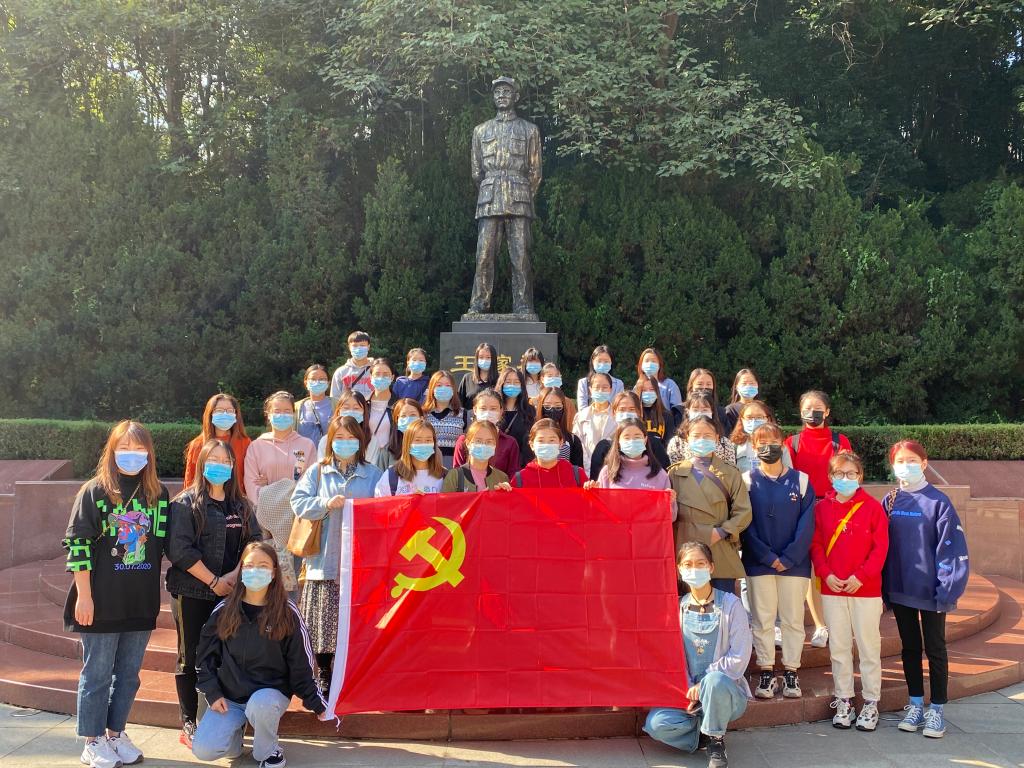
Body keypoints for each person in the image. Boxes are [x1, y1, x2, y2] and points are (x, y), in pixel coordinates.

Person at [63, 421, 169, 768]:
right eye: (124, 447)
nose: (132, 455)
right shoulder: (94, 492)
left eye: (139, 448)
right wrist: (84, 597)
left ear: (149, 453)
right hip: (101, 601)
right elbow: (78, 546)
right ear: (111, 451)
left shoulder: (158, 495)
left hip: (140, 601)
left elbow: (164, 544)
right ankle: (92, 740)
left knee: (128, 675)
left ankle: (115, 733)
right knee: (97, 675)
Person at [192, 542, 330, 768]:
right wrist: (213, 692)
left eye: (263, 565)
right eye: (249, 565)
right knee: (204, 750)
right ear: (241, 570)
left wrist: (316, 702)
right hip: (231, 697)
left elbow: (301, 664)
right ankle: (236, 733)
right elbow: (205, 657)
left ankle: (268, 751)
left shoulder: (287, 612)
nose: (255, 570)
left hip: (269, 695)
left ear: (274, 572)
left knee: (261, 703)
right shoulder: (225, 610)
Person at [167, 438, 260, 748]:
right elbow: (180, 550)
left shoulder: (241, 505)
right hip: (192, 592)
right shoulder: (185, 504)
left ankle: (224, 719)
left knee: (226, 655)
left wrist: (232, 577)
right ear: (202, 464)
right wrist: (212, 581)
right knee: (190, 655)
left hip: (230, 592)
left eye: (225, 461)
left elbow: (254, 542)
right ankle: (189, 721)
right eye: (213, 460)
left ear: (233, 466)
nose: (220, 466)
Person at [883, 440, 969, 739]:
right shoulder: (891, 501)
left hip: (933, 591)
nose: (905, 465)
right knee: (909, 648)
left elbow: (951, 548)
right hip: (901, 588)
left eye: (912, 460)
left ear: (923, 463)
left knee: (935, 648)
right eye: (900, 460)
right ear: (893, 465)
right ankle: (916, 704)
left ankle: (937, 709)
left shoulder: (939, 502)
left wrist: (947, 588)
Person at [291, 416, 382, 692]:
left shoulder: (373, 474)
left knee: (357, 622)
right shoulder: (318, 471)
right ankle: (325, 673)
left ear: (360, 441)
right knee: (323, 624)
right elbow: (298, 502)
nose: (345, 442)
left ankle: (355, 673)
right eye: (339, 437)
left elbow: (385, 509)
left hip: (360, 562)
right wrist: (325, 503)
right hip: (324, 560)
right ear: (330, 440)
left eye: (351, 437)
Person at [643, 542, 752, 768]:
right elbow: (671, 656)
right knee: (657, 724)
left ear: (711, 567)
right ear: (679, 570)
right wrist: (687, 686)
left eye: (700, 564)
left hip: (725, 693)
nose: (694, 569)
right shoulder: (677, 608)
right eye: (688, 564)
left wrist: (703, 684)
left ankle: (716, 741)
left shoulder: (731, 605)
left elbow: (739, 657)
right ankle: (703, 733)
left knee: (714, 681)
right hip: (689, 695)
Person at [811, 451, 888, 732]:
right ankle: (844, 699)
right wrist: (826, 573)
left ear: (860, 476)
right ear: (830, 477)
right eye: (839, 473)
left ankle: (870, 702)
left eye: (851, 473)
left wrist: (862, 576)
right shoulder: (822, 508)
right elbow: (816, 544)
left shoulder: (873, 507)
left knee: (869, 647)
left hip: (865, 589)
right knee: (839, 647)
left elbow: (881, 548)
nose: (845, 478)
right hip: (833, 588)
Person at [741, 423, 815, 701]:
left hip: (794, 564)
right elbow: (745, 524)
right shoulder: (747, 481)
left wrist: (789, 557)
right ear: (753, 447)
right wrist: (768, 557)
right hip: (759, 562)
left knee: (793, 619)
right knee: (762, 619)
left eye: (773, 441)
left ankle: (791, 670)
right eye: (761, 442)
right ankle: (766, 670)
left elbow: (807, 524)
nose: (767, 447)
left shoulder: (801, 480)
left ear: (782, 444)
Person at [783, 390, 852, 650]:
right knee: (813, 569)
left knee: (837, 565)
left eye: (818, 408)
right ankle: (821, 625)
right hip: (804, 509)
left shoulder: (839, 441)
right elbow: (788, 478)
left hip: (835, 507)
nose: (813, 413)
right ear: (800, 412)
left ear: (827, 411)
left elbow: (848, 473)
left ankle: (839, 622)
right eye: (807, 409)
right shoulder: (792, 442)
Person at [669, 416, 751, 593]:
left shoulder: (731, 472)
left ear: (717, 438)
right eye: (696, 435)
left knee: (722, 603)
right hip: (686, 549)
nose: (702, 440)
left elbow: (744, 511)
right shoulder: (675, 473)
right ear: (687, 438)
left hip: (719, 545)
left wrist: (722, 531)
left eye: (707, 435)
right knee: (687, 604)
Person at [243, 392, 316, 505]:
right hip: (265, 510)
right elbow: (251, 482)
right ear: (268, 415)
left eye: (287, 411)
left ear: (293, 414)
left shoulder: (307, 445)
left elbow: (311, 480)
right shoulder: (256, 446)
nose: (282, 415)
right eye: (277, 411)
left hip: (297, 509)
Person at [588, 391, 671, 479]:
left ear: (640, 413)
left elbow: (665, 478)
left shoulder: (653, 444)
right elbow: (596, 482)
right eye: (622, 410)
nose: (626, 414)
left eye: (632, 409)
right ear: (614, 413)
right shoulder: (603, 447)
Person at [183, 393, 251, 492]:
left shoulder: (245, 443)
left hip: (235, 498)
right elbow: (190, 480)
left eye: (230, 411)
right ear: (210, 413)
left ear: (236, 415)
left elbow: (250, 476)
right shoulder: (197, 444)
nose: (225, 414)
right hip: (205, 499)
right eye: (219, 410)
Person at [587, 418, 671, 493]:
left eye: (637, 437)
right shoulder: (607, 472)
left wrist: (670, 499)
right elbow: (599, 503)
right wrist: (592, 492)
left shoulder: (660, 475)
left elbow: (670, 505)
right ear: (619, 442)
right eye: (626, 438)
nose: (632, 441)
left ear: (645, 440)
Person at [453, 389, 521, 477]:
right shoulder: (463, 441)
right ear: (475, 410)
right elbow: (457, 475)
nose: (488, 413)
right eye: (483, 408)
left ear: (501, 411)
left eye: (493, 409)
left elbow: (513, 477)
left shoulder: (510, 443)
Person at [374, 419, 447, 496]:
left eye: (428, 440)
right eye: (418, 440)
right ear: (408, 443)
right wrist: (408, 500)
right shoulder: (391, 476)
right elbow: (381, 502)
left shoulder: (444, 476)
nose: (423, 444)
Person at [443, 419, 513, 492]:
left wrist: (504, 493)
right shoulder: (454, 476)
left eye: (489, 442)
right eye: (478, 441)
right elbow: (446, 499)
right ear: (468, 443)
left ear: (495, 445)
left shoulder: (501, 478)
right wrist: (479, 497)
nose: (483, 445)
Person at [667, 393, 736, 466]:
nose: (700, 413)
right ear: (688, 411)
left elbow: (731, 470)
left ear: (712, 411)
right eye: (695, 410)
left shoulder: (725, 443)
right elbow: (675, 470)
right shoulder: (677, 443)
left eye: (705, 410)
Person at [513, 419, 586, 487]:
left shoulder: (577, 475)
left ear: (561, 443)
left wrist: (590, 487)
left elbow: (588, 495)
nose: (546, 445)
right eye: (541, 441)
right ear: (532, 445)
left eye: (552, 440)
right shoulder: (520, 479)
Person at [523, 387, 584, 467]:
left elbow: (577, 469)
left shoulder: (573, 440)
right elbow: (526, 466)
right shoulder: (529, 438)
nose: (552, 410)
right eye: (547, 406)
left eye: (558, 407)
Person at [572, 372, 617, 476]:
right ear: (590, 390)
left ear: (610, 390)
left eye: (605, 387)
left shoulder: (618, 416)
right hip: (586, 469)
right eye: (597, 387)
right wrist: (587, 468)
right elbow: (578, 444)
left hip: (611, 469)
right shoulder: (581, 416)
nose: (601, 391)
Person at [728, 400, 791, 474]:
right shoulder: (734, 446)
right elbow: (730, 475)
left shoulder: (778, 445)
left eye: (759, 417)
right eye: (749, 417)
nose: (754, 421)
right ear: (742, 419)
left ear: (768, 419)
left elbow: (789, 474)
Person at [422, 370, 466, 467]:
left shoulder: (463, 414)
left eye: (448, 385)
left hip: (454, 465)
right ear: (432, 389)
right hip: (428, 464)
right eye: (439, 385)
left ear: (453, 389)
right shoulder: (423, 414)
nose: (443, 388)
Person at [365, 357, 399, 469]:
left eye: (385, 374)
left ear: (392, 377)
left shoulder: (399, 405)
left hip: (391, 459)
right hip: (366, 458)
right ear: (371, 377)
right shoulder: (363, 404)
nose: (381, 377)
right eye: (377, 374)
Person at [317, 390, 370, 459]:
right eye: (346, 408)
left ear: (364, 412)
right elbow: (322, 463)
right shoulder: (325, 441)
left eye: (356, 408)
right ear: (338, 411)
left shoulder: (370, 440)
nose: (351, 411)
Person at [495, 366, 535, 457]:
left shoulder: (529, 411)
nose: (512, 385)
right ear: (501, 384)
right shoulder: (494, 409)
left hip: (521, 461)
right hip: (496, 460)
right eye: (508, 382)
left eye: (516, 382)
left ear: (522, 386)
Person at [295, 364, 335, 446]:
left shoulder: (338, 404)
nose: (317, 382)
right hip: (302, 453)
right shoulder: (296, 407)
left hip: (329, 453)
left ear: (328, 382)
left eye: (322, 379)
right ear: (305, 382)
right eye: (313, 379)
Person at [637, 347, 683, 416]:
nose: (650, 364)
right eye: (647, 361)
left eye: (653, 361)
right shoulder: (637, 386)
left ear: (659, 365)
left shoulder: (670, 385)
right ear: (641, 365)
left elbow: (678, 411)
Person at [329, 330, 373, 399]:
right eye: (355, 346)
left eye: (362, 345)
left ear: (368, 347)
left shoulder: (376, 369)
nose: (358, 348)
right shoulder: (341, 372)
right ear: (349, 347)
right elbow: (335, 398)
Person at [634, 373, 675, 443]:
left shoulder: (666, 415)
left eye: (652, 389)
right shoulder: (634, 415)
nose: (648, 393)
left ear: (657, 392)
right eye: (644, 390)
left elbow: (670, 443)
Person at [459, 342, 500, 411]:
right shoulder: (467, 378)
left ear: (494, 359)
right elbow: (459, 403)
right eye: (481, 357)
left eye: (488, 357)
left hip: (493, 417)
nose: (484, 360)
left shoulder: (500, 379)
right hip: (470, 417)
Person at [386, 398, 426, 467]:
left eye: (413, 415)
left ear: (421, 418)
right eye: (403, 416)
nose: (408, 419)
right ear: (397, 420)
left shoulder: (429, 448)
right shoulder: (388, 450)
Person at [723, 368, 761, 436]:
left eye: (752, 383)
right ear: (737, 387)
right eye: (744, 384)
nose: (748, 386)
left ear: (757, 385)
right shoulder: (730, 410)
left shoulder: (763, 409)